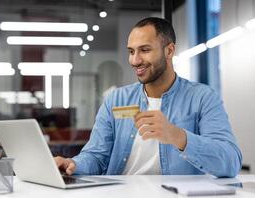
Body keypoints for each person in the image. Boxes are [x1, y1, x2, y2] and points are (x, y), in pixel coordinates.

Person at [55, 17, 242, 177]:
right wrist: (73, 164)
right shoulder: (116, 100)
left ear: (169, 51)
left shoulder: (202, 97)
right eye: (131, 51)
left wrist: (178, 136)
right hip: (121, 194)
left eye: (144, 50)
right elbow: (96, 156)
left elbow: (230, 162)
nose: (135, 60)